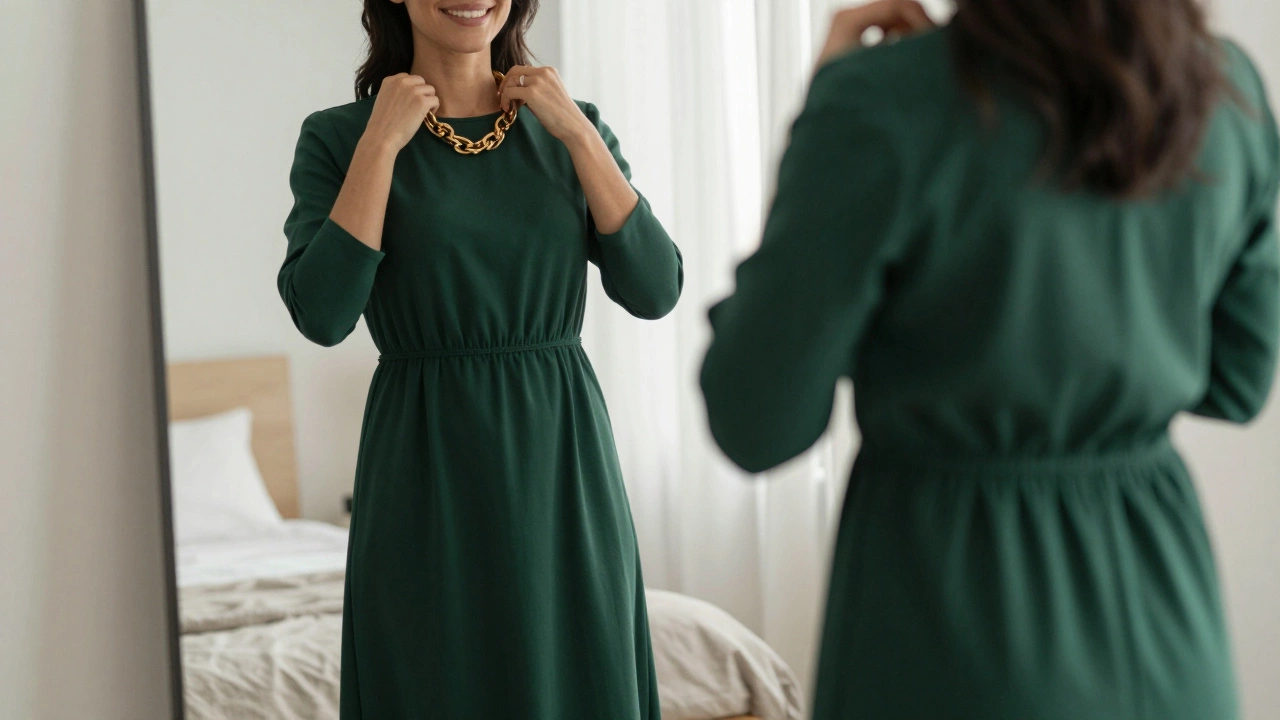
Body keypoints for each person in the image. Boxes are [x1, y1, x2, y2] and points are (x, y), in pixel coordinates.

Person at [700, 0, 1278, 718]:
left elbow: (757, 419)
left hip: (950, 625)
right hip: (1168, 637)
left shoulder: (882, 101)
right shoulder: (1228, 91)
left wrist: (832, 120)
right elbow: (1240, 379)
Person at [278, 1, 682, 717]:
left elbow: (654, 289)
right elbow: (324, 313)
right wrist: (381, 144)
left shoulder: (569, 124)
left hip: (564, 468)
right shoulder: (340, 137)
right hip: (426, 474)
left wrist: (579, 136)